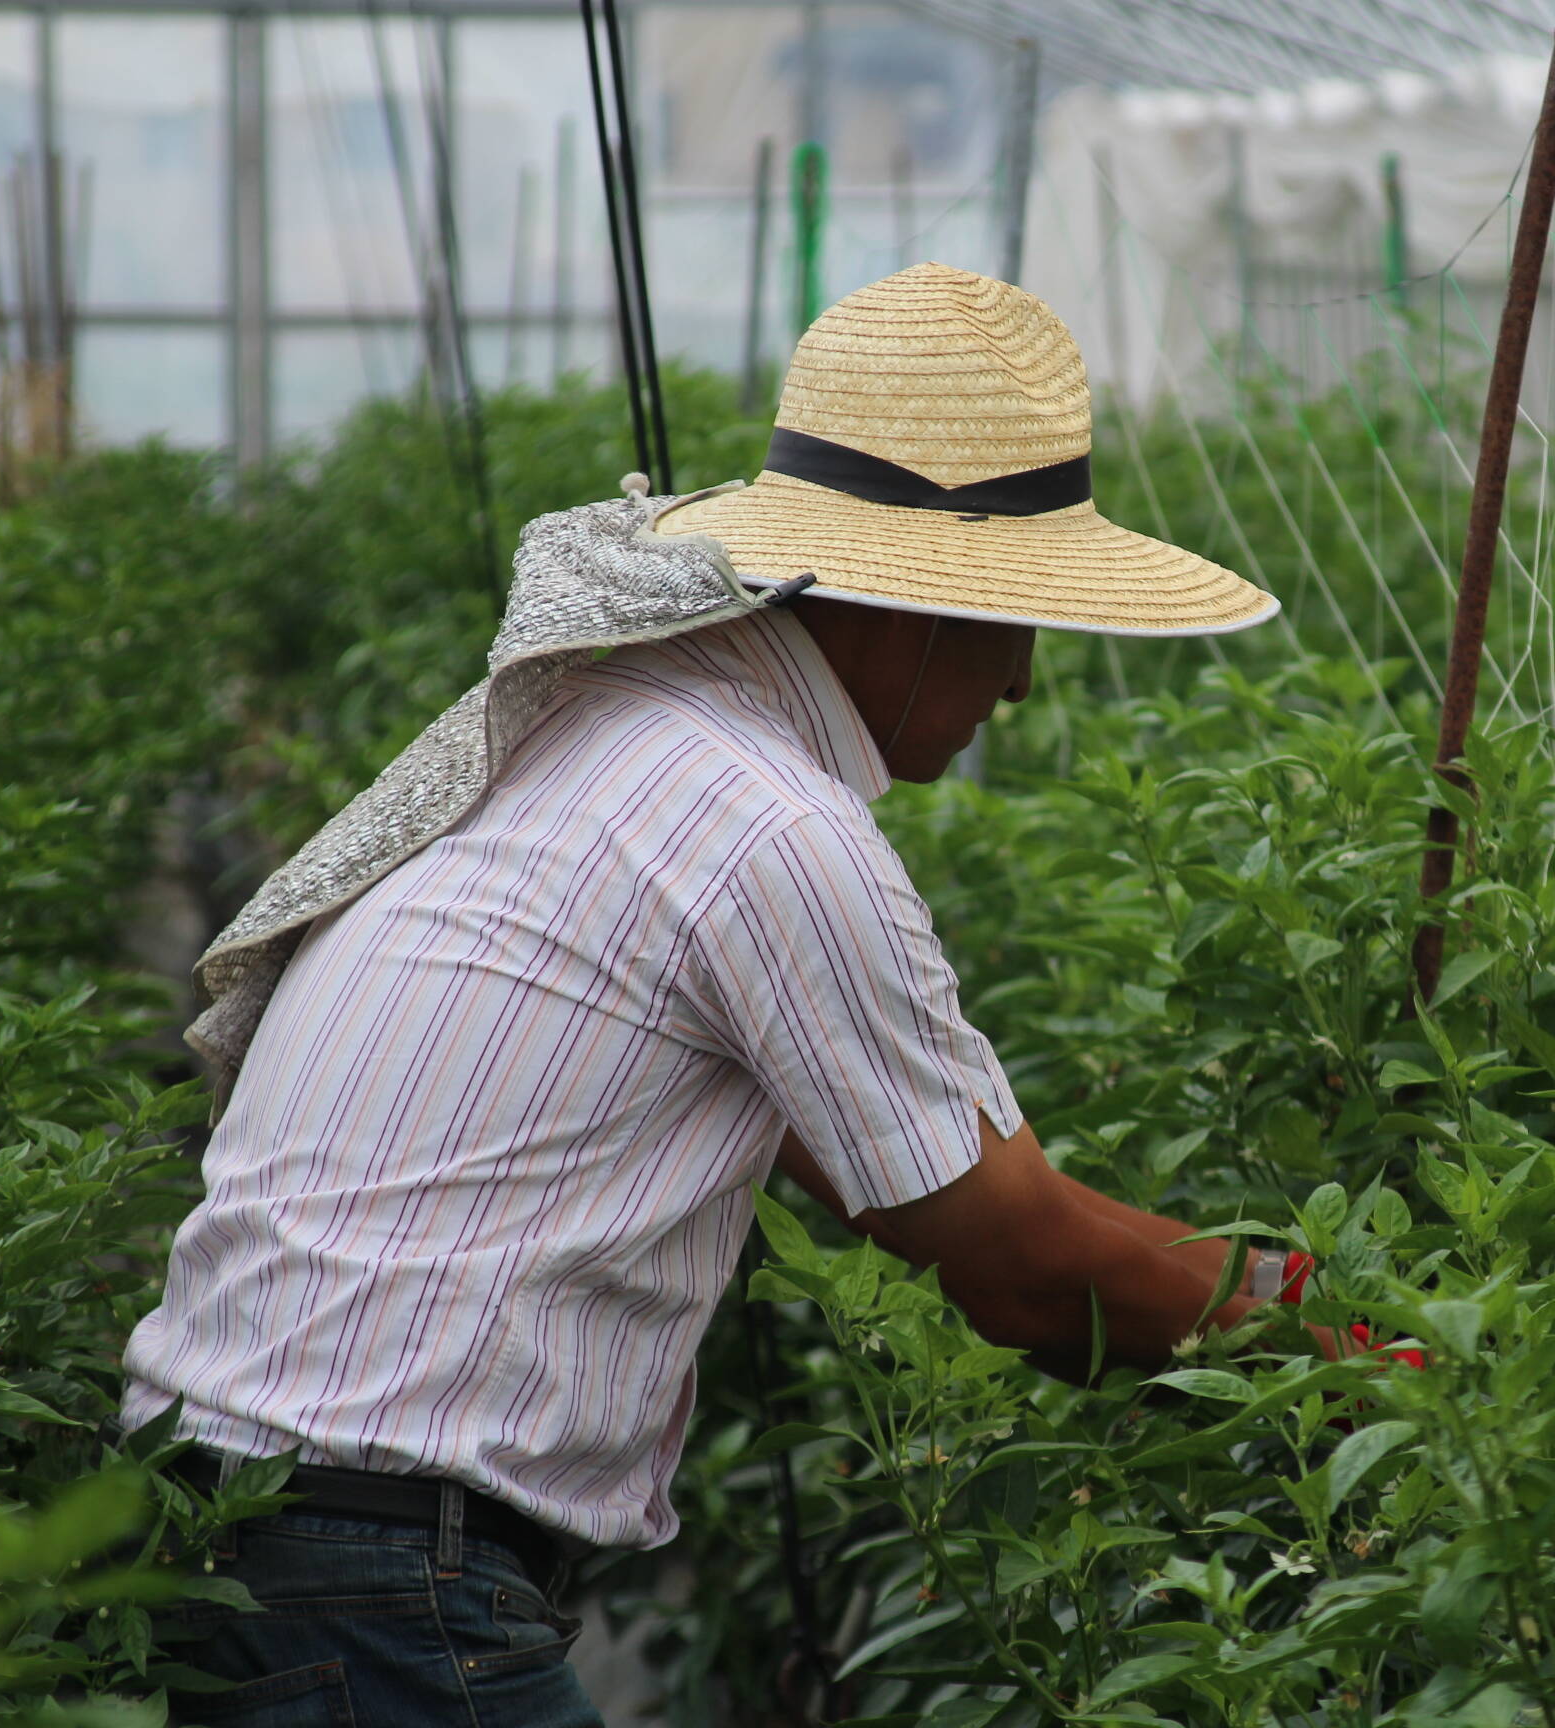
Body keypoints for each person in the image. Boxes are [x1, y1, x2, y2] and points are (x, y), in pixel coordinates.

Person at [124, 263, 1328, 1727]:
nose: (1020, 682)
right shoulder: (767, 825)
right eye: (1015, 622)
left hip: (221, 1522)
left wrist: (1262, 1279)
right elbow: (1016, 1261)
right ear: (911, 604)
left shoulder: (613, 726)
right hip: (370, 1568)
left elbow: (913, 1183)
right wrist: (1337, 1346)